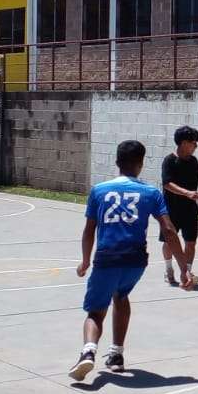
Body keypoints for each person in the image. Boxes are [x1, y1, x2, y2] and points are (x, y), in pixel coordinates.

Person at [71, 139, 178, 380]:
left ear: (117, 162)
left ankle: (88, 351)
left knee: (96, 312)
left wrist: (85, 261)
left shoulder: (99, 190)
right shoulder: (150, 192)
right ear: (141, 163)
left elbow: (89, 230)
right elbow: (169, 230)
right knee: (121, 296)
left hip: (107, 258)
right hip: (136, 260)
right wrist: (183, 268)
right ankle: (116, 355)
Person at [161, 126, 198, 289]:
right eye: (193, 143)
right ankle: (169, 269)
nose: (196, 146)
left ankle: (187, 273)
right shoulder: (169, 160)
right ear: (184, 142)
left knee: (191, 242)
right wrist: (187, 193)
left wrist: (192, 195)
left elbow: (193, 184)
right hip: (171, 209)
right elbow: (167, 184)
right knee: (169, 241)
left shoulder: (193, 162)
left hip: (190, 209)